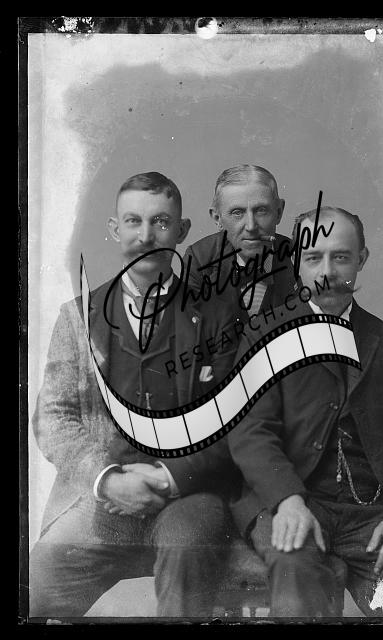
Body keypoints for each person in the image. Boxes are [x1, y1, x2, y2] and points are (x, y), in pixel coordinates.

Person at [30, 172, 239, 619]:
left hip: (190, 496)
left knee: (188, 550)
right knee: (39, 578)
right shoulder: (79, 315)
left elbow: (235, 419)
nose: (146, 236)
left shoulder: (219, 314)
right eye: (133, 221)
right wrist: (107, 478)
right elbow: (53, 418)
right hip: (103, 497)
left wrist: (168, 477)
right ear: (114, 229)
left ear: (182, 231)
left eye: (161, 222)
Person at [227, 206, 383, 617]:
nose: (328, 271)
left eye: (340, 257)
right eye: (313, 258)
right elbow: (251, 431)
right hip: (287, 500)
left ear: (361, 260)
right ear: (295, 263)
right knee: (295, 568)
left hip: (369, 515)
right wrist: (287, 500)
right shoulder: (264, 334)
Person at [183, 165, 298, 325]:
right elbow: (191, 331)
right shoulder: (200, 259)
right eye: (237, 213)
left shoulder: (300, 257)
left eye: (261, 210)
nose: (251, 226)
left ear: (278, 212)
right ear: (217, 218)